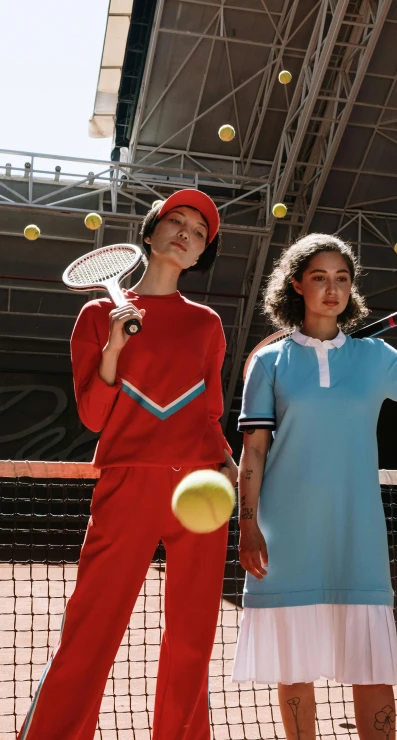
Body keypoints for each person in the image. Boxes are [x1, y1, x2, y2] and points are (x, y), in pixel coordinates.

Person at [18, 189, 238, 740]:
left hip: (201, 488)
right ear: (151, 233)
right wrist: (115, 347)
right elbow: (94, 416)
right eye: (176, 221)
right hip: (128, 485)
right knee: (90, 628)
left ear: (199, 255)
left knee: (192, 639)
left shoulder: (207, 324)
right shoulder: (97, 316)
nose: (186, 232)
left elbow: (209, 412)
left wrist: (231, 469)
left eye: (199, 232)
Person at [233, 233, 397, 740]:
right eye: (319, 277)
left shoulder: (375, 356)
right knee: (294, 671)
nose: (331, 288)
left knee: (371, 667)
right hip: (284, 536)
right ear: (296, 285)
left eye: (342, 278)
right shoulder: (269, 362)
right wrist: (247, 525)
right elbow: (254, 452)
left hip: (357, 536)